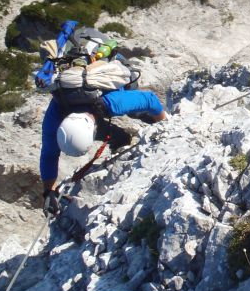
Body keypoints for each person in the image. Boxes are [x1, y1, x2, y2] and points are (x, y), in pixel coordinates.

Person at [36, 21, 166, 217]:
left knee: (136, 108)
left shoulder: (112, 102)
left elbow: (150, 100)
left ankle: (131, 126)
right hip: (83, 76)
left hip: (104, 72)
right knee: (121, 129)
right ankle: (120, 138)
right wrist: (49, 192)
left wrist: (164, 123)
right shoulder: (56, 114)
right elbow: (49, 154)